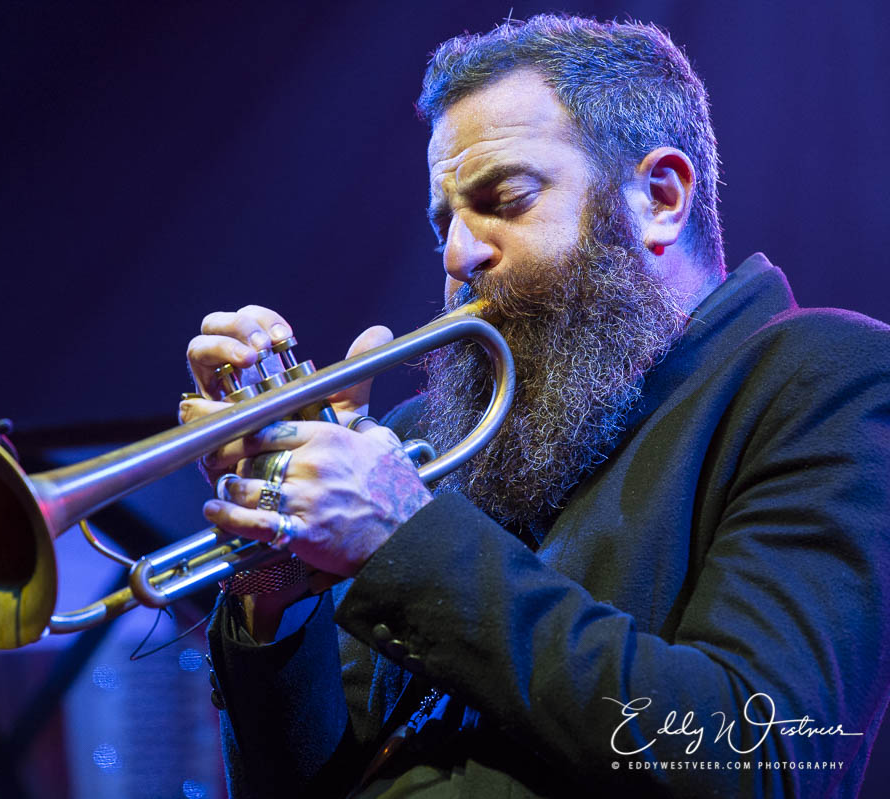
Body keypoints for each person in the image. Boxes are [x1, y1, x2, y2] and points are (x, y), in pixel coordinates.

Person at [177, 14, 890, 797]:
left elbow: (762, 760)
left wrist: (403, 537)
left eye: (504, 198)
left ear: (660, 197)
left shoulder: (828, 379)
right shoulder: (425, 440)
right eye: (443, 219)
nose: (456, 254)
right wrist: (275, 570)